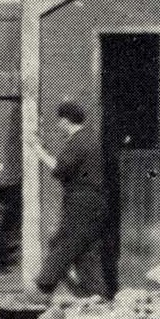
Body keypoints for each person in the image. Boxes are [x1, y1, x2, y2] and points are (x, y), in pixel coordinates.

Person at [30, 100, 114, 301]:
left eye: (60, 121)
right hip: (97, 202)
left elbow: (60, 170)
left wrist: (39, 151)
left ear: (66, 121)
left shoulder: (77, 142)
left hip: (81, 203)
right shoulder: (91, 139)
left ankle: (43, 286)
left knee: (63, 242)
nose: (59, 125)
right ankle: (97, 293)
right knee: (87, 248)